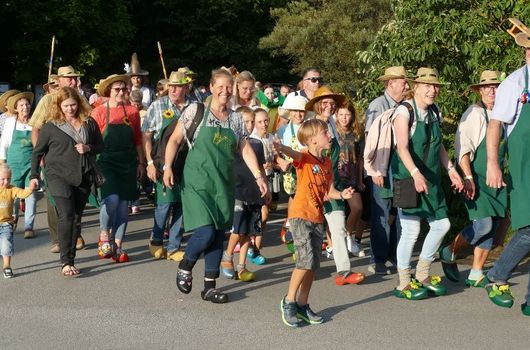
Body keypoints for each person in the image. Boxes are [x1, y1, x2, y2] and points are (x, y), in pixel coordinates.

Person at [163, 68, 268, 304]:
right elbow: (175, 140)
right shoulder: (196, 111)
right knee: (206, 231)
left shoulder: (235, 118)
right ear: (211, 87)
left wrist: (259, 176)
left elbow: (244, 148)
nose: (225, 91)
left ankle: (210, 287)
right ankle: (186, 264)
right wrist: (167, 167)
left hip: (223, 184)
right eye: (220, 86)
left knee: (219, 235)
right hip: (197, 181)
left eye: (228, 87)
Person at [273, 119, 356, 327]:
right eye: (325, 133)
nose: (329, 135)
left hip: (317, 217)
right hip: (300, 215)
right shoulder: (305, 158)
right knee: (304, 260)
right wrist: (281, 147)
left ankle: (302, 304)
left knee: (313, 265)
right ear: (312, 140)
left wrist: (342, 195)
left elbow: (329, 191)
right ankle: (289, 301)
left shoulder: (326, 163)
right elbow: (294, 155)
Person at [391, 67, 463, 300]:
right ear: (416, 87)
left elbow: (439, 144)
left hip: (431, 178)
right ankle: (403, 282)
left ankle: (422, 273)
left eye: (435, 86)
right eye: (428, 86)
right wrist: (415, 173)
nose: (433, 90)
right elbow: (401, 147)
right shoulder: (404, 111)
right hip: (407, 177)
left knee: (441, 224)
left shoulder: (435, 111)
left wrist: (451, 169)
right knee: (411, 231)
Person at [439, 71, 506, 287]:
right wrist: (468, 177)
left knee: (493, 226)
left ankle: (476, 272)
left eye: (495, 87)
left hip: (499, 179)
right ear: (479, 90)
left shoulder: (505, 114)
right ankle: (449, 250)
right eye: (487, 87)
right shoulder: (474, 114)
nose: (491, 91)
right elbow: (463, 151)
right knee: (484, 224)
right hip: (477, 177)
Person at [30, 87, 103, 276]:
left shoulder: (89, 122)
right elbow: (37, 152)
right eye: (66, 106)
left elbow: (101, 145)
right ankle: (66, 261)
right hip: (57, 176)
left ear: (78, 104)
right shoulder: (50, 126)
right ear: (59, 106)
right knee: (67, 215)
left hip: (82, 176)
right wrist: (34, 175)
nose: (70, 109)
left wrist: (88, 147)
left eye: (73, 105)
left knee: (76, 218)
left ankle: (71, 257)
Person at [483, 26, 530, 315]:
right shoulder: (515, 82)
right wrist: (492, 163)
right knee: (528, 229)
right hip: (525, 168)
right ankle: (495, 275)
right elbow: (495, 124)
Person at [306, 86, 365, 285]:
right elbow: (306, 157)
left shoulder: (332, 122)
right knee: (312, 229)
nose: (329, 106)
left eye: (332, 102)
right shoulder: (310, 126)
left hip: (335, 183)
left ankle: (344, 272)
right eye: (325, 102)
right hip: (315, 185)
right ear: (316, 104)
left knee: (338, 228)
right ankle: (308, 267)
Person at [29, 65, 85, 253]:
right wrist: (41, 155)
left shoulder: (79, 98)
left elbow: (89, 123)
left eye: (74, 78)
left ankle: (74, 234)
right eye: (68, 78)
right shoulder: (47, 100)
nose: (73, 81)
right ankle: (57, 238)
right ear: (58, 80)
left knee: (77, 203)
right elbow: (36, 128)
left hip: (78, 160)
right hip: (54, 157)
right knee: (56, 201)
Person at [91, 74, 145, 263]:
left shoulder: (132, 111)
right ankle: (104, 234)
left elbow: (138, 140)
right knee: (112, 199)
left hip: (128, 163)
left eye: (124, 89)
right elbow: (92, 140)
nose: (122, 92)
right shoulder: (98, 112)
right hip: (106, 162)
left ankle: (118, 245)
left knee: (123, 206)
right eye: (117, 89)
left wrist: (141, 163)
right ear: (109, 91)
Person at [364, 66, 410, 275]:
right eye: (403, 82)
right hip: (383, 167)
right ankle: (380, 259)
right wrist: (374, 171)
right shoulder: (377, 105)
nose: (407, 86)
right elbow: (370, 142)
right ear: (391, 83)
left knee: (404, 213)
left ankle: (399, 258)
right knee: (381, 214)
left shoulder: (408, 106)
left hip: (404, 167)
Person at [142, 71, 191, 261]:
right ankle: (155, 240)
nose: (173, 89)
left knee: (181, 205)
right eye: (171, 86)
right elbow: (146, 135)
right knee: (165, 204)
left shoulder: (194, 107)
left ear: (186, 88)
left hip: (186, 164)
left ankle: (173, 247)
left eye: (177, 86)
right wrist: (149, 163)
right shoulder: (157, 105)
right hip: (163, 162)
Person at [221, 107, 269, 281]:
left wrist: (266, 188)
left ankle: (242, 267)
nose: (248, 125)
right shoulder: (230, 143)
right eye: (244, 122)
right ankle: (227, 257)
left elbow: (261, 168)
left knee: (249, 231)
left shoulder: (257, 144)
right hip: (237, 190)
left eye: (251, 122)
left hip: (254, 191)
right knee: (238, 228)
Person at [0, 92, 36, 238]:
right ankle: (12, 219)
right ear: (15, 108)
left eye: (27, 104)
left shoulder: (35, 122)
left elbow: (38, 144)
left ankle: (29, 227)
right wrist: (2, 163)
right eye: (21, 105)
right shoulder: (10, 122)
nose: (25, 107)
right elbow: (4, 144)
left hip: (30, 164)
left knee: (31, 195)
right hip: (13, 164)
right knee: (12, 196)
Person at [335, 102, 365, 256]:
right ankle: (334, 243)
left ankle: (348, 235)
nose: (344, 118)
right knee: (336, 213)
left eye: (347, 114)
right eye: (341, 114)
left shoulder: (357, 134)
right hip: (336, 177)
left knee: (357, 208)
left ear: (352, 115)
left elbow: (360, 159)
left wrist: (360, 180)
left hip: (351, 177)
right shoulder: (332, 131)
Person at [249, 108, 278, 263]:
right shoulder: (252, 139)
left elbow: (275, 159)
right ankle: (252, 248)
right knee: (263, 214)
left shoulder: (271, 137)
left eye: (266, 120)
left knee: (263, 218)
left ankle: (254, 248)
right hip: (255, 181)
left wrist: (274, 162)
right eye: (260, 121)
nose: (264, 124)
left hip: (269, 179)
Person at [0, 164, 36, 278]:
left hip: (6, 224)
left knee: (6, 245)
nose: (6, 182)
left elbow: (23, 194)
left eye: (8, 179)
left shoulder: (12, 189)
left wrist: (30, 188)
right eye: (2, 179)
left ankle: (6, 266)